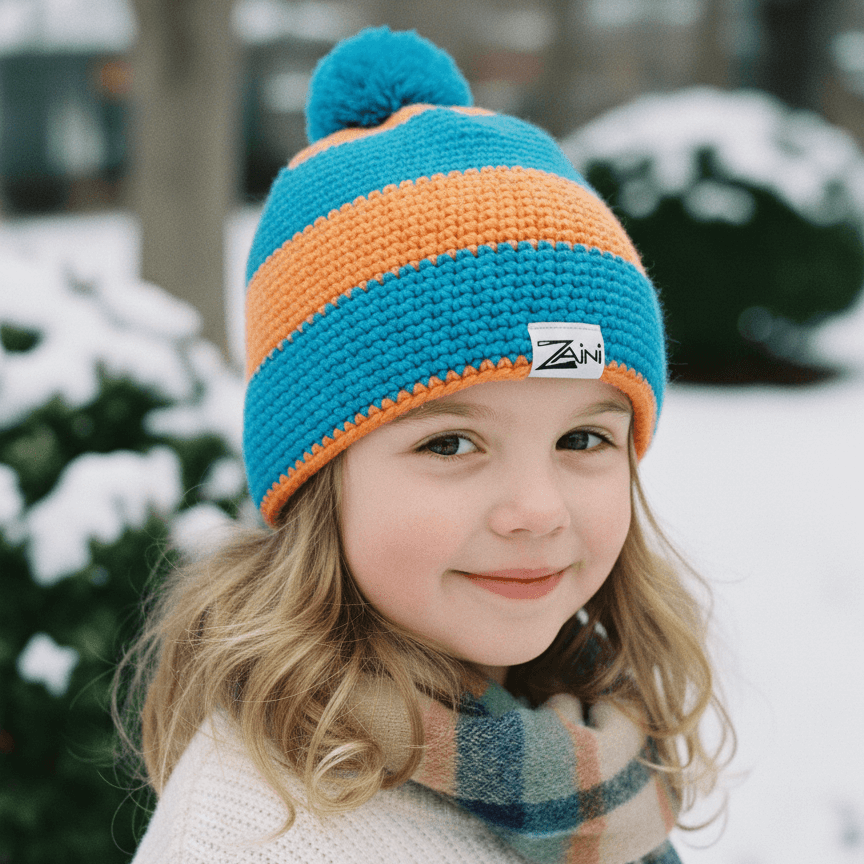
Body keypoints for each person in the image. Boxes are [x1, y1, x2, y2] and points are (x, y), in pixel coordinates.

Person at [116, 26, 733, 864]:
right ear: (316, 477)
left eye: (583, 436)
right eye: (449, 444)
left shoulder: (592, 743)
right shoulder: (262, 835)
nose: (536, 510)